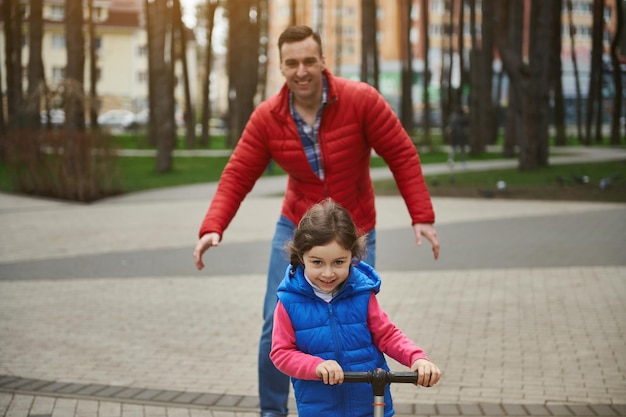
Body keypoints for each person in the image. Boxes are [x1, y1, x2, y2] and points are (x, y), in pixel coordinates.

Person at [193, 25, 440, 417]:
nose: (301, 70)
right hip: (297, 227)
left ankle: (354, 405)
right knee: (275, 322)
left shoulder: (361, 100)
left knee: (357, 320)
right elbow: (238, 173)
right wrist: (212, 226)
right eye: (292, 63)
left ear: (323, 61)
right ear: (281, 67)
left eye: (309, 60)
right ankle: (272, 411)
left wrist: (421, 216)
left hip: (354, 231)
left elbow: (401, 153)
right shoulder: (268, 117)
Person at [270, 199, 442, 417]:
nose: (328, 273)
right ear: (301, 256)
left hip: (371, 404)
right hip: (320, 409)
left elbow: (387, 335)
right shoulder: (289, 301)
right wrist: (315, 366)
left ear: (353, 256)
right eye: (317, 262)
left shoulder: (362, 293)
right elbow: (281, 353)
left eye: (339, 262)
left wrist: (416, 358)